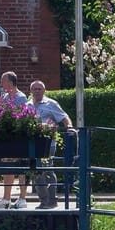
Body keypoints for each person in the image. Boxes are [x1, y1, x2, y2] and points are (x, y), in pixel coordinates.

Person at [26, 80, 75, 208]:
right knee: (35, 171)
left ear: (44, 90)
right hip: (33, 143)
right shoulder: (27, 105)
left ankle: (52, 200)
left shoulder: (51, 104)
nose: (37, 91)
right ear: (31, 91)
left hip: (48, 142)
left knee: (47, 169)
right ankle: (43, 201)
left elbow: (64, 117)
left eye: (39, 89)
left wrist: (69, 126)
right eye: (35, 89)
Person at [0, 71, 28, 208]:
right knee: (7, 166)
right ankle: (6, 198)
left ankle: (22, 198)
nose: (1, 84)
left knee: (21, 168)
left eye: (3, 81)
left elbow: (22, 115)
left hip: (18, 137)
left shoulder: (21, 97)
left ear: (10, 82)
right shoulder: (5, 97)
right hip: (7, 138)